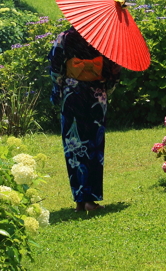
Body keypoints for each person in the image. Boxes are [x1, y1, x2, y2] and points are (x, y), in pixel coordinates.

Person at [47, 27, 120, 212]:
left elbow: (55, 66)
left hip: (72, 93)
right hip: (96, 95)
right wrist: (107, 88)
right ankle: (91, 200)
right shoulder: (106, 35)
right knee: (95, 146)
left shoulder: (65, 37)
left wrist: (58, 90)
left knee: (73, 144)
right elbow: (114, 69)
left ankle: (79, 200)